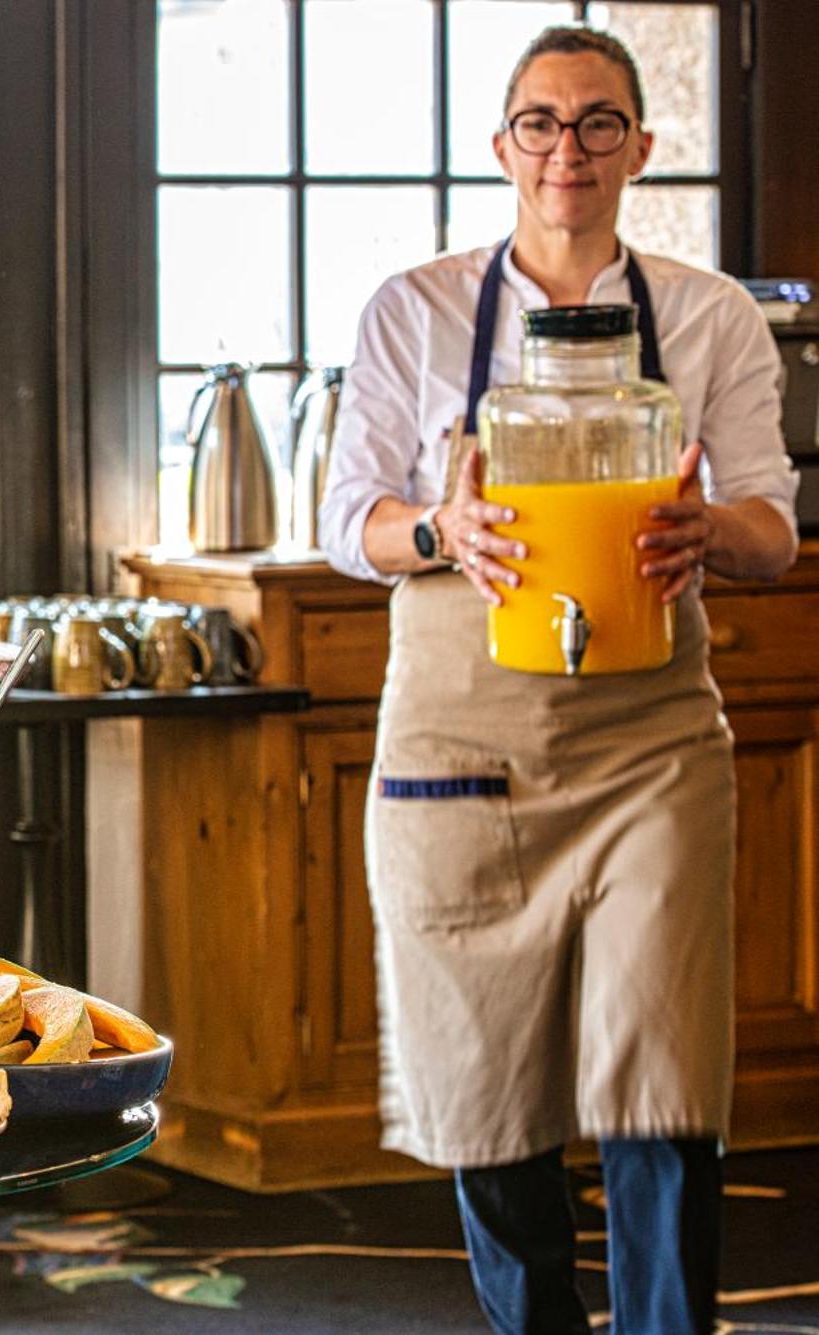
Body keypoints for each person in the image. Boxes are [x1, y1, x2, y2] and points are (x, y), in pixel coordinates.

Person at [318, 25, 799, 1335]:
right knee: (483, 1081)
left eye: (598, 123)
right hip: (462, 740)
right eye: (541, 121)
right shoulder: (412, 312)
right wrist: (441, 531)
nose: (567, 149)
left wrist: (715, 534)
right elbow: (346, 518)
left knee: (661, 1077)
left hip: (651, 744)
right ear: (502, 147)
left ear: (642, 147)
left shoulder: (708, 315)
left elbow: (774, 523)